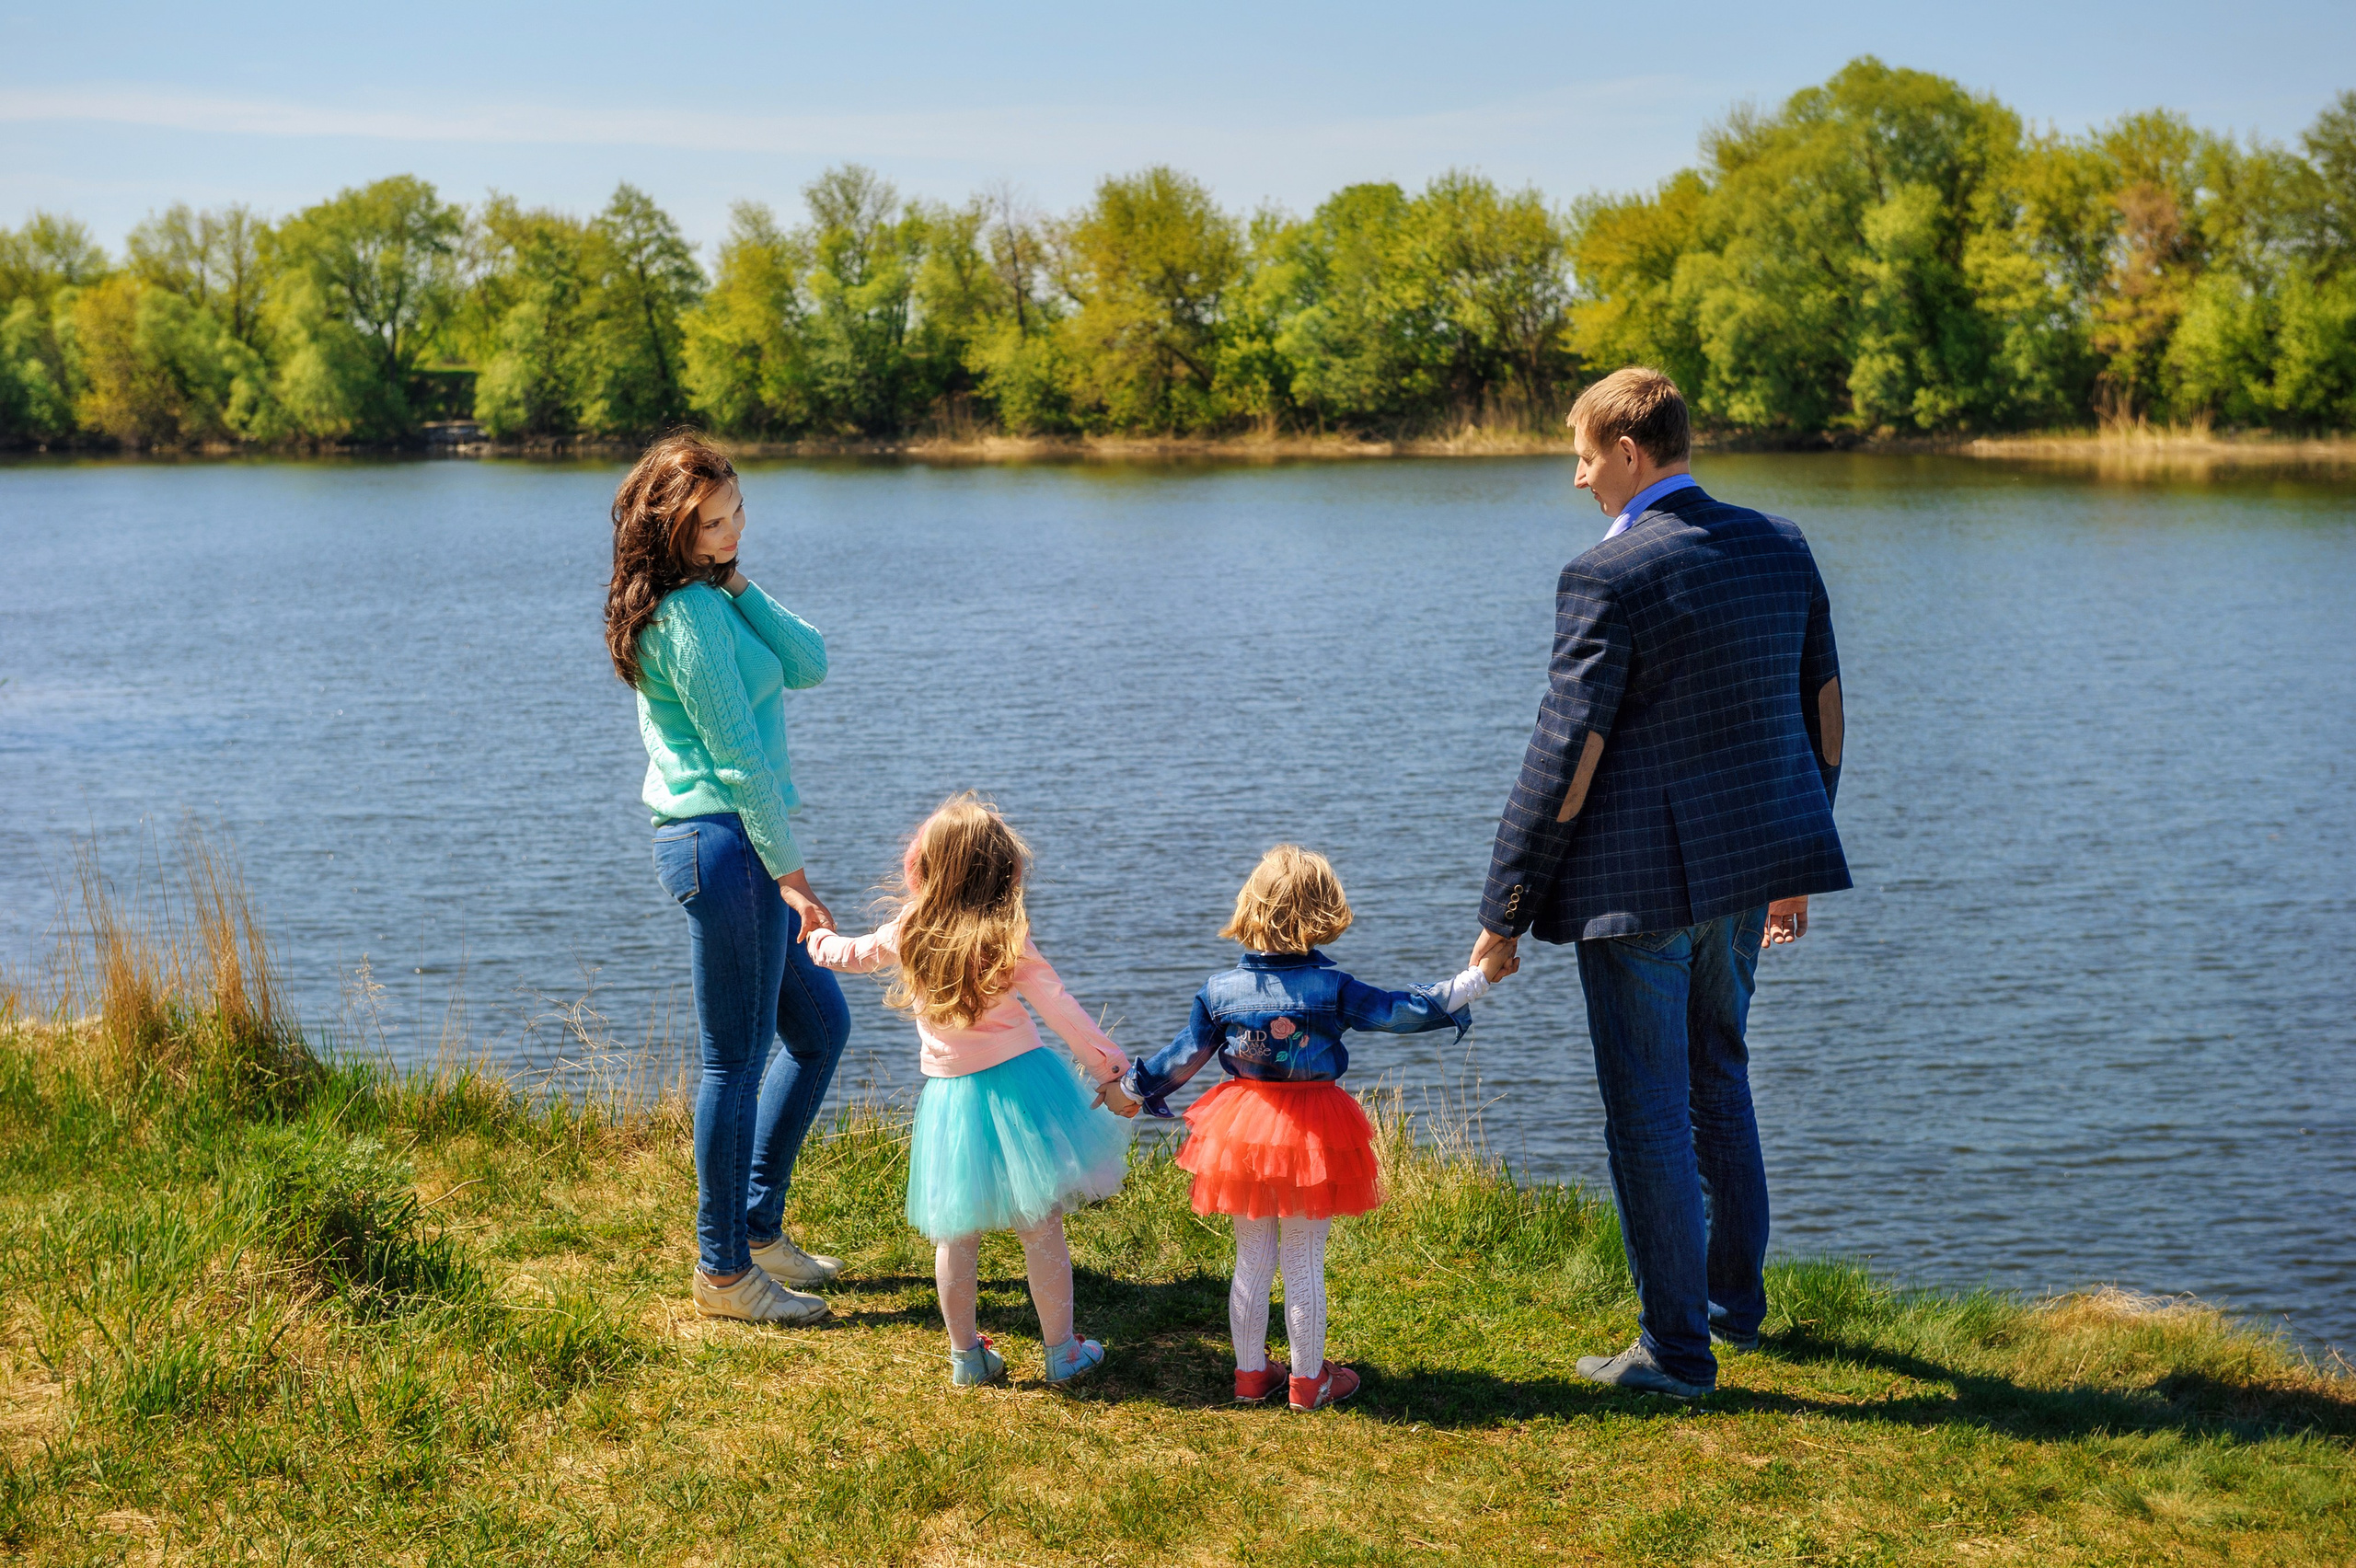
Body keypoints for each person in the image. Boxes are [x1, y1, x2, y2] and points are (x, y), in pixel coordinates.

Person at [1470, 367, 1849, 1399]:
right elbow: (1820, 711)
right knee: (1718, 1079)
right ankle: (1732, 1312)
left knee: (1646, 1112)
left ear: (1631, 452)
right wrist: (1793, 859)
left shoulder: (1608, 575)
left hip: (1637, 895)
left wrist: (1503, 910)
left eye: (1583, 453)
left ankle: (1677, 1355)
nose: (1576, 474)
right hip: (1744, 873)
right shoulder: (1780, 544)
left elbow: (1565, 753)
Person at [1123, 846, 1511, 1412]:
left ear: (1250, 906)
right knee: (1304, 1257)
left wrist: (1132, 1090)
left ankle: (1251, 1377)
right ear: (1323, 912)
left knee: (1251, 1256)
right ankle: (1309, 1384)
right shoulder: (1333, 990)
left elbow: (1181, 1059)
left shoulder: (1219, 991)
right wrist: (1475, 980)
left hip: (1242, 1129)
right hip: (1312, 1130)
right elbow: (1403, 1010)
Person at [606, 432, 851, 1326]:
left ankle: (753, 1228)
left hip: (736, 840)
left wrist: (739, 576)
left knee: (821, 1027)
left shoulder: (717, 597)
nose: (729, 530)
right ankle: (721, 1272)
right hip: (724, 842)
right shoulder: (688, 619)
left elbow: (811, 663)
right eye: (709, 523)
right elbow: (740, 763)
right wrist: (796, 879)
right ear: (669, 528)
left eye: (736, 510)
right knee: (734, 1063)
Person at [807, 794, 1137, 1387]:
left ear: (928, 867)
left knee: (955, 1231)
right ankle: (1062, 1352)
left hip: (951, 1102)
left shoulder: (909, 928)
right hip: (1021, 1090)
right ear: (1001, 869)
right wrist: (1111, 1070)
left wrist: (815, 939)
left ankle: (966, 1358)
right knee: (1040, 1223)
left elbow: (849, 954)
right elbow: (1061, 1007)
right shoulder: (1007, 936)